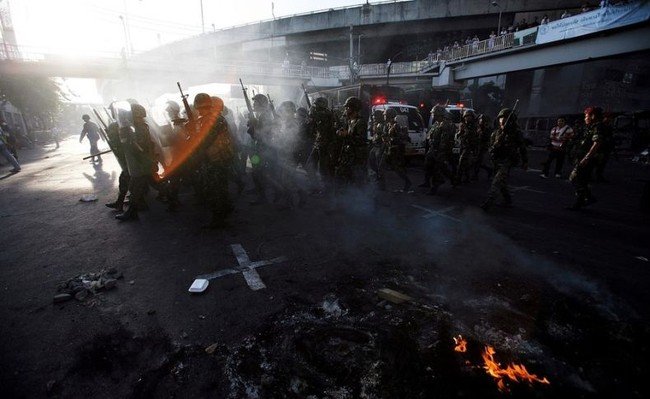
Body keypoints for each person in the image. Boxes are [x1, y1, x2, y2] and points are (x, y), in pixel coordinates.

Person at [194, 94, 235, 228]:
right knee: (220, 187)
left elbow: (206, 140)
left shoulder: (214, 120)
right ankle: (224, 210)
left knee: (215, 189)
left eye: (202, 108)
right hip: (217, 158)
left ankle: (219, 218)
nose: (199, 111)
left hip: (217, 159)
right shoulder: (213, 119)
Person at [481, 108, 528, 210]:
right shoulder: (496, 133)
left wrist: (525, 161)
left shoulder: (515, 133)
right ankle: (508, 200)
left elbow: (522, 147)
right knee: (501, 182)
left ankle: (489, 201)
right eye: (501, 119)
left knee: (497, 181)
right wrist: (496, 145)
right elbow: (490, 148)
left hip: (508, 160)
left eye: (505, 119)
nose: (502, 121)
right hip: (497, 160)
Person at [115, 104, 155, 221]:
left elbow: (140, 148)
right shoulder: (138, 127)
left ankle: (132, 213)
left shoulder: (140, 128)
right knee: (138, 186)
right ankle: (173, 199)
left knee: (136, 187)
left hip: (141, 163)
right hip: (141, 163)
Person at [568, 106, 606, 210]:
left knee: (574, 177)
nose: (585, 118)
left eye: (586, 116)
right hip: (584, 157)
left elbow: (596, 143)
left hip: (588, 158)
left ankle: (587, 197)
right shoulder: (591, 126)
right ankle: (581, 201)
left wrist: (587, 158)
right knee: (582, 180)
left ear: (592, 116)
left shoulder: (598, 127)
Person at [421, 105, 457, 195]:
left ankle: (434, 187)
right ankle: (427, 182)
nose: (433, 115)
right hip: (433, 148)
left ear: (439, 114)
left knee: (437, 168)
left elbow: (444, 140)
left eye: (434, 114)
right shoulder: (436, 123)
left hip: (442, 150)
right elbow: (430, 135)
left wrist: (439, 152)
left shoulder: (446, 124)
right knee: (427, 164)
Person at [333, 96, 368, 189]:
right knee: (340, 177)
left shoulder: (360, 122)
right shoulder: (348, 121)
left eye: (348, 107)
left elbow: (361, 140)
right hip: (348, 155)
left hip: (356, 157)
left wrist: (346, 135)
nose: (346, 109)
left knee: (356, 181)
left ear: (354, 108)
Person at [456, 109, 480, 184]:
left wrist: (466, 131)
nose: (467, 118)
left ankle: (458, 179)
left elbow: (475, 136)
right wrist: (460, 131)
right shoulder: (463, 125)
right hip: (463, 146)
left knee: (461, 162)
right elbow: (457, 136)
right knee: (465, 164)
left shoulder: (474, 126)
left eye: (469, 116)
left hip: (470, 147)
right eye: (466, 116)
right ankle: (467, 178)